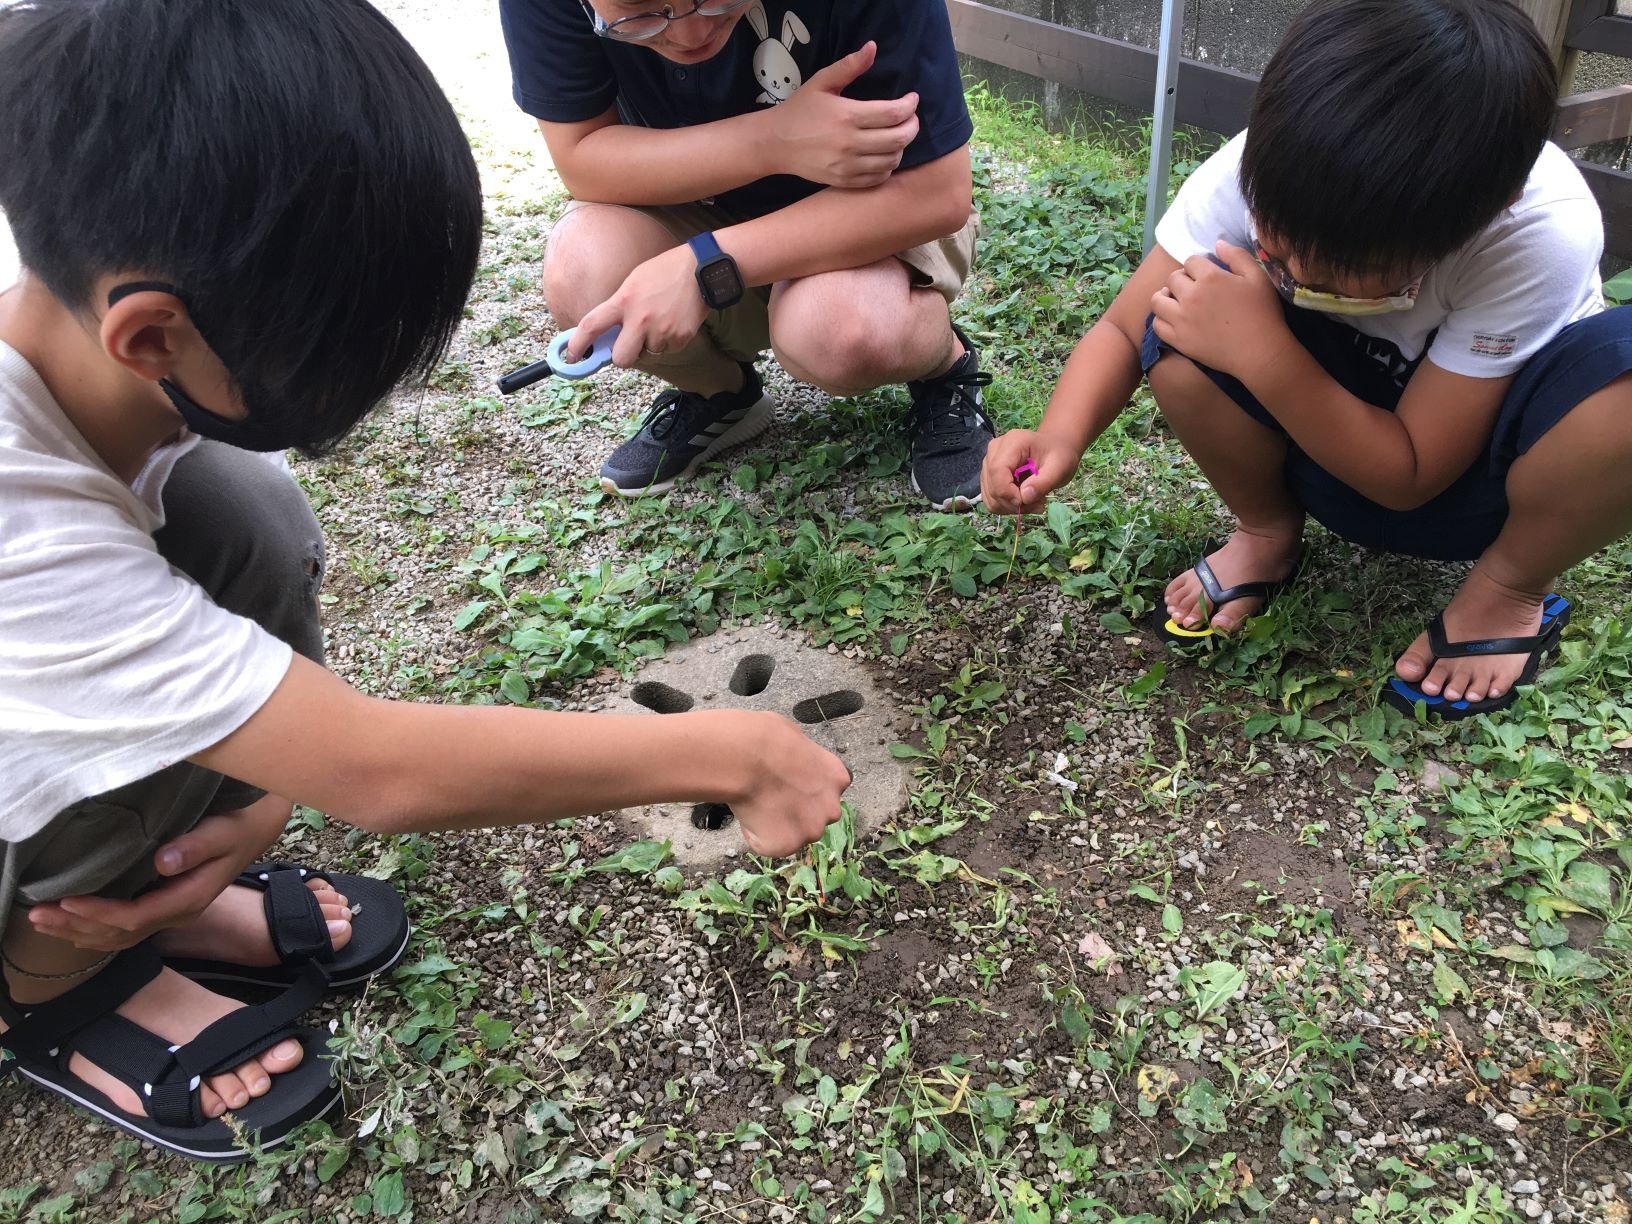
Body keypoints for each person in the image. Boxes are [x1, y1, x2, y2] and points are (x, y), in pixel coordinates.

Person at [0, 0, 849, 1162]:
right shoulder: (22, 527)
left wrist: (260, 806)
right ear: (152, 336)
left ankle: (188, 877)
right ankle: (48, 993)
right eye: (334, 352)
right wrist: (734, 754)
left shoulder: (75, 342)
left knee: (245, 513)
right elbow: (382, 768)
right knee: (89, 754)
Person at [983, 0, 1630, 721]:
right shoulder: (1272, 165)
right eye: (1272, 244)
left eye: (1343, 272)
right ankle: (1264, 530)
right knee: (1178, 326)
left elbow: (1410, 479)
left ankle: (1507, 588)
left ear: (1491, 210)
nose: (1290, 272)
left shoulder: (1539, 231)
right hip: (1322, 454)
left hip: (1481, 489)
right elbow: (1122, 326)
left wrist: (1261, 349)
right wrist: (1059, 437)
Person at [498, 0, 995, 510]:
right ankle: (722, 393)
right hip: (695, 206)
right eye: (637, 14)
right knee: (583, 273)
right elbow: (581, 157)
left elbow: (936, 193)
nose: (690, 34)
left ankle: (943, 367)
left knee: (844, 330)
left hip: (863, 213)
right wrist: (776, 139)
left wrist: (704, 264)